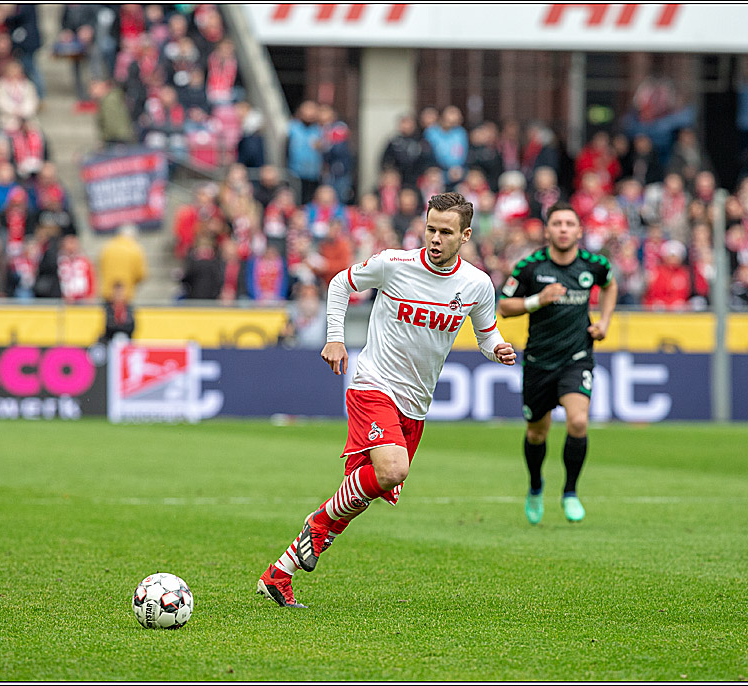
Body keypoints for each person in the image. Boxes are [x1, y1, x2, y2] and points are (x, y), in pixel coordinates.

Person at [256, 192, 516, 609]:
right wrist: (336, 338)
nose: (435, 238)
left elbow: (487, 336)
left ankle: (279, 574)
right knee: (393, 469)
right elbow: (341, 282)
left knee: (362, 494)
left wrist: (498, 349)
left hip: (415, 404)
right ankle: (316, 524)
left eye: (445, 232)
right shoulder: (394, 264)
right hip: (374, 385)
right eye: (431, 228)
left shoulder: (476, 284)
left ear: (466, 235)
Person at [496, 201, 618, 525]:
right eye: (557, 223)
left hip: (577, 358)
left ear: (579, 230)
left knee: (578, 422)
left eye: (569, 223)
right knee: (537, 433)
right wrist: (538, 300)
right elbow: (504, 306)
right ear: (547, 230)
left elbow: (610, 284)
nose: (563, 229)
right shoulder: (530, 266)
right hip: (538, 361)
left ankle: (570, 492)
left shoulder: (594, 264)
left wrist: (604, 321)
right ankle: (536, 486)